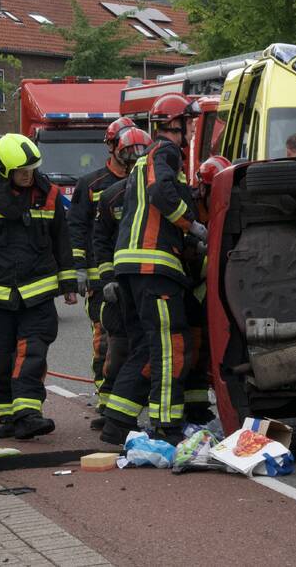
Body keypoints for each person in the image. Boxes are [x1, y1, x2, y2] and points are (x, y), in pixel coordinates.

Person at [0, 133, 78, 440]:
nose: (29, 175)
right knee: (2, 358)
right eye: (22, 171)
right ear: (5, 170)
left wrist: (69, 282)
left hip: (38, 294)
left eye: (32, 169)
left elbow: (62, 240)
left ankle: (28, 413)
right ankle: (9, 416)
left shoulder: (49, 195)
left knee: (33, 352)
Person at [100, 93, 205, 446]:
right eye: (189, 122)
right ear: (175, 124)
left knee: (146, 348)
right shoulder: (166, 152)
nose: (193, 128)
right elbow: (162, 192)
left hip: (131, 268)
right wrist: (193, 225)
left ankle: (116, 422)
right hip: (154, 267)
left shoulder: (143, 160)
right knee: (171, 346)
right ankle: (166, 425)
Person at [68, 116, 136, 428]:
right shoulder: (91, 185)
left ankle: (126, 398)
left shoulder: (141, 181)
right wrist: (79, 269)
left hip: (133, 277)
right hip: (100, 278)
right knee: (105, 341)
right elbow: (77, 228)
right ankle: (106, 401)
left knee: (133, 340)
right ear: (112, 146)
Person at [91, 127, 152, 431]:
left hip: (148, 281)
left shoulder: (156, 193)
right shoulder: (111, 196)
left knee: (148, 347)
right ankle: (111, 409)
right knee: (117, 350)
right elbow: (100, 241)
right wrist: (107, 279)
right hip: (119, 287)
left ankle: (130, 412)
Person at [181, 154, 232, 424]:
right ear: (203, 188)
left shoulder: (228, 203)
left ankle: (198, 405)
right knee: (191, 346)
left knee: (206, 348)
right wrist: (198, 248)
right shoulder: (189, 207)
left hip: (211, 284)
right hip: (188, 284)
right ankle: (189, 405)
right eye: (213, 190)